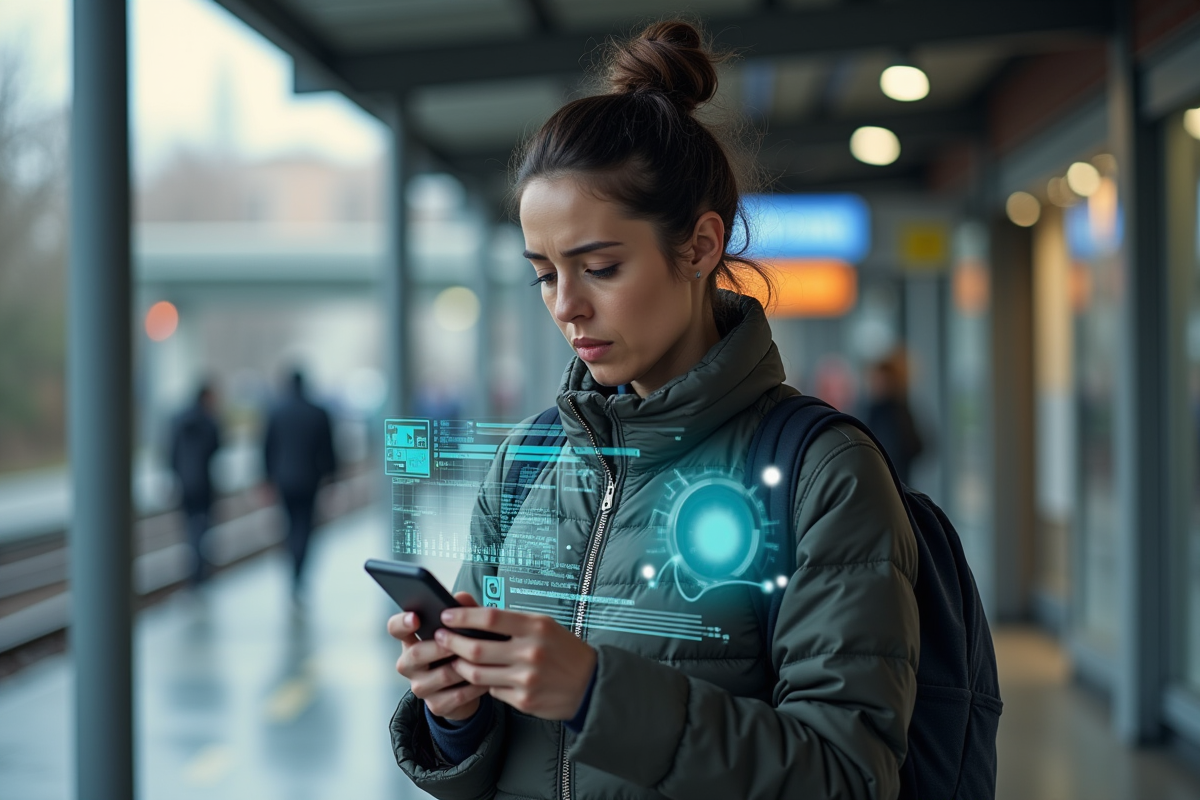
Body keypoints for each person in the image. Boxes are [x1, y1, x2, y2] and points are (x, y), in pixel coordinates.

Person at [386, 21, 918, 800]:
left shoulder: (821, 472)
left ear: (701, 246)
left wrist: (599, 695)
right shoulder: (528, 462)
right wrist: (454, 713)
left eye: (600, 266)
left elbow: (848, 776)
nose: (567, 306)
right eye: (543, 274)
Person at [262, 370, 337, 596]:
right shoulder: (318, 412)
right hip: (310, 480)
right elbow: (328, 449)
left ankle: (293, 570)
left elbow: (267, 448)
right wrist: (331, 478)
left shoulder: (276, 411)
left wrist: (267, 479)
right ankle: (299, 572)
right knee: (305, 527)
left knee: (289, 525)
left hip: (283, 480)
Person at [169, 382, 221, 585]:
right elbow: (217, 446)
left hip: (184, 481)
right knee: (202, 526)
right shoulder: (209, 421)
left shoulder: (178, 420)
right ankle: (199, 568)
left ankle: (195, 566)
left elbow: (171, 452)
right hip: (204, 482)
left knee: (190, 527)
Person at [862, 351, 925, 486]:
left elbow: (916, 445)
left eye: (882, 380)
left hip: (898, 479)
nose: (878, 384)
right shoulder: (871, 410)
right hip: (880, 478)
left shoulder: (899, 410)